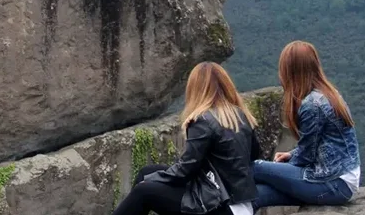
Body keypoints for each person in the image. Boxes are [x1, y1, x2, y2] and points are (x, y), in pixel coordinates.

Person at [112, 61, 262, 215]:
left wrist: (151, 180)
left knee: (143, 191)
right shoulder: (241, 116)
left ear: (195, 88)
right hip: (238, 204)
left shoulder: (202, 120)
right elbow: (254, 155)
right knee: (147, 171)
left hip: (219, 205)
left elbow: (185, 170)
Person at [253, 40, 361, 211]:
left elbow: (305, 157)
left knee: (254, 168)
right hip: (340, 180)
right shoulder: (328, 94)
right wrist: (290, 155)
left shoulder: (312, 105)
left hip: (332, 183)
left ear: (291, 71)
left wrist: (279, 170)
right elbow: (318, 145)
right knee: (255, 194)